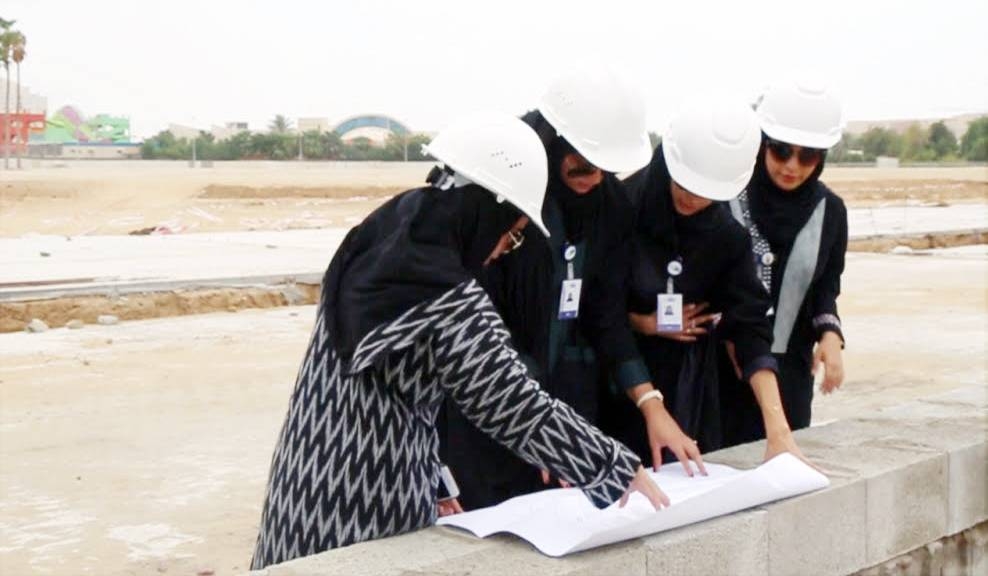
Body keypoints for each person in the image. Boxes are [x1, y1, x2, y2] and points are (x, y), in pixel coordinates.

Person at [250, 112, 667, 570]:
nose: (497, 253)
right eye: (508, 237)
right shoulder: (445, 290)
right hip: (365, 502)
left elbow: (395, 387)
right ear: (486, 212)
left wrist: (436, 481)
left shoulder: (382, 236)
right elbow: (510, 402)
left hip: (304, 476)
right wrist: (613, 466)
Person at [442, 69, 706, 511]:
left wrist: (651, 404)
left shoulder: (611, 207)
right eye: (582, 165)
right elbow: (477, 321)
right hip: (487, 399)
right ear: (552, 142)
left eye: (606, 168)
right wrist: (535, 423)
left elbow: (605, 316)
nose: (594, 178)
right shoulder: (499, 198)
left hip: (566, 394)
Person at [602, 101, 808, 465]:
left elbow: (750, 326)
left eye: (706, 192)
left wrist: (778, 429)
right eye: (684, 184)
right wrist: (642, 324)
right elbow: (596, 308)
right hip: (613, 379)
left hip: (687, 386)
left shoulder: (727, 237)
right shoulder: (618, 208)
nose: (692, 198)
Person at [720, 79, 847, 446]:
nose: (792, 166)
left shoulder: (831, 212)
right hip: (721, 371)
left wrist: (830, 334)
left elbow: (826, 287)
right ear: (761, 145)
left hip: (790, 374)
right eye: (780, 151)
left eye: (807, 156)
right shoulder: (726, 199)